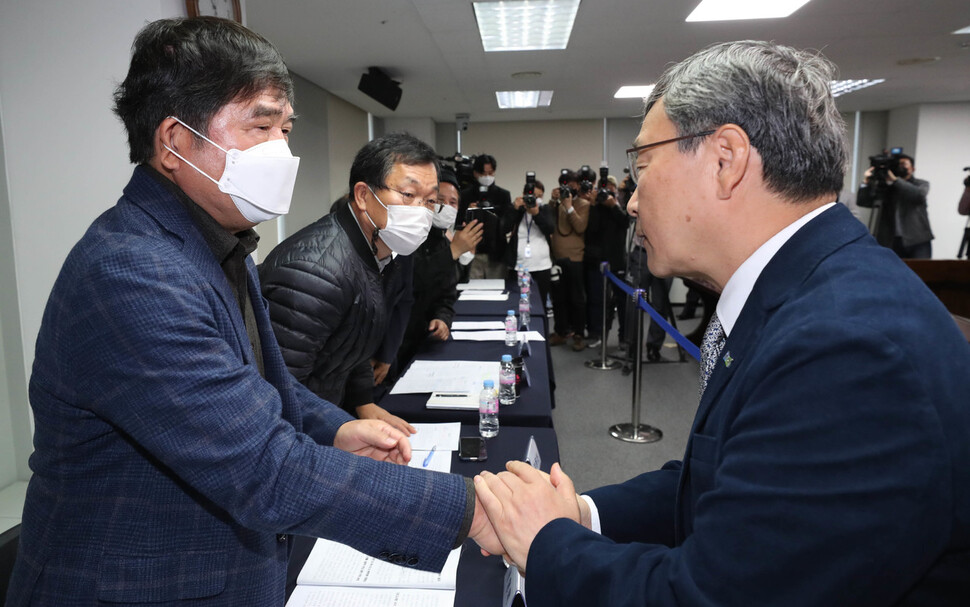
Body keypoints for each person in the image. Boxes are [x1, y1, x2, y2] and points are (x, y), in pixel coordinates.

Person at [5, 19, 502, 605]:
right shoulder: (133, 272)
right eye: (260, 127)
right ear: (173, 142)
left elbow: (256, 390)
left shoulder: (219, 244)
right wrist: (470, 511)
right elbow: (263, 468)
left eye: (285, 130)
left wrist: (335, 425)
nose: (282, 152)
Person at [473, 40, 970, 606]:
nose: (633, 203)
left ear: (725, 159)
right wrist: (583, 514)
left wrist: (546, 542)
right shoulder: (811, 293)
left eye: (643, 165)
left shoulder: (846, 349)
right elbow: (725, 484)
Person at [259, 133, 442, 436]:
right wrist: (343, 430)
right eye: (408, 195)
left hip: (331, 404)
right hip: (298, 431)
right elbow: (281, 390)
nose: (421, 211)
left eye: (431, 200)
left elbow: (355, 332)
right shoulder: (315, 273)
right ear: (362, 196)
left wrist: (363, 401)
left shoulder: (383, 249)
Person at [394, 168, 482, 373]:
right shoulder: (405, 235)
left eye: (453, 202)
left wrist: (442, 318)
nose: (447, 207)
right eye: (439, 200)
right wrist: (453, 251)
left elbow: (447, 295)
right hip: (395, 342)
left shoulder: (443, 242)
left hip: (424, 339)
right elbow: (409, 283)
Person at [583, 171, 629, 349]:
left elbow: (626, 223)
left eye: (610, 191)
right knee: (596, 300)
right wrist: (595, 205)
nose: (606, 194)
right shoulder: (596, 207)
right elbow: (591, 230)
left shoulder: (620, 205)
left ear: (615, 191)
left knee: (622, 301)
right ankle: (596, 334)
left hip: (617, 260)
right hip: (597, 260)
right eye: (604, 190)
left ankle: (624, 337)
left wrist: (614, 206)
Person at [857, 153, 934, 258]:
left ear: (912, 169)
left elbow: (918, 196)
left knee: (921, 272)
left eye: (903, 164)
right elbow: (863, 201)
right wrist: (866, 181)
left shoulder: (921, 184)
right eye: (898, 164)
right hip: (891, 240)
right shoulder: (887, 186)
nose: (900, 166)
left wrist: (895, 180)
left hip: (917, 239)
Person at [549, 170, 590, 351]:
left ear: (577, 185)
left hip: (575, 258)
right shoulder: (556, 205)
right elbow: (547, 223)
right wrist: (553, 201)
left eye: (572, 184)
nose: (568, 188)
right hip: (557, 258)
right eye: (564, 184)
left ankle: (579, 334)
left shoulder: (583, 204)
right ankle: (561, 332)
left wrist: (569, 206)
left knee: (576, 299)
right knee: (559, 299)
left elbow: (580, 227)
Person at [459, 153, 512, 279]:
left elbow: (506, 225)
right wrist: (469, 211)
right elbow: (458, 222)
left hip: (497, 252)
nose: (487, 177)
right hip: (473, 251)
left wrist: (492, 210)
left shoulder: (503, 195)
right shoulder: (465, 195)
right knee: (473, 291)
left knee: (498, 290)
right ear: (475, 173)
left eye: (490, 173)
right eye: (483, 173)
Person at [504, 178, 554, 310]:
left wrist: (536, 214)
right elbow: (504, 228)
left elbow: (550, 228)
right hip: (519, 265)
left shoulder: (545, 210)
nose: (535, 199)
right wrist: (514, 208)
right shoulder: (518, 210)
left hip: (542, 266)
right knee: (518, 302)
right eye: (533, 196)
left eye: (539, 196)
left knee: (540, 303)